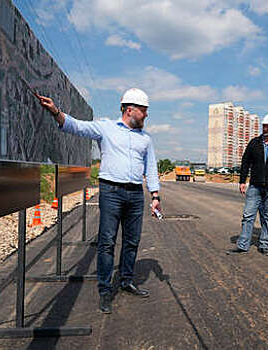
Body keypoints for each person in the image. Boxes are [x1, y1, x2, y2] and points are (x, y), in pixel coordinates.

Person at [36, 88, 161, 314]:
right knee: (107, 242)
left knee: (132, 241)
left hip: (135, 195)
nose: (146, 115)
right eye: (144, 110)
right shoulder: (106, 128)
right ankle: (105, 290)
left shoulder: (146, 140)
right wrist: (56, 112)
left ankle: (126, 281)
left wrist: (155, 196)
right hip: (111, 192)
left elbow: (151, 168)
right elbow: (77, 126)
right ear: (130, 109)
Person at [228, 113, 268, 255]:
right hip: (255, 186)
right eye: (264, 126)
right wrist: (242, 181)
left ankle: (264, 245)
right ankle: (242, 245)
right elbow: (245, 162)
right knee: (248, 215)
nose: (266, 128)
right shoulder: (254, 143)